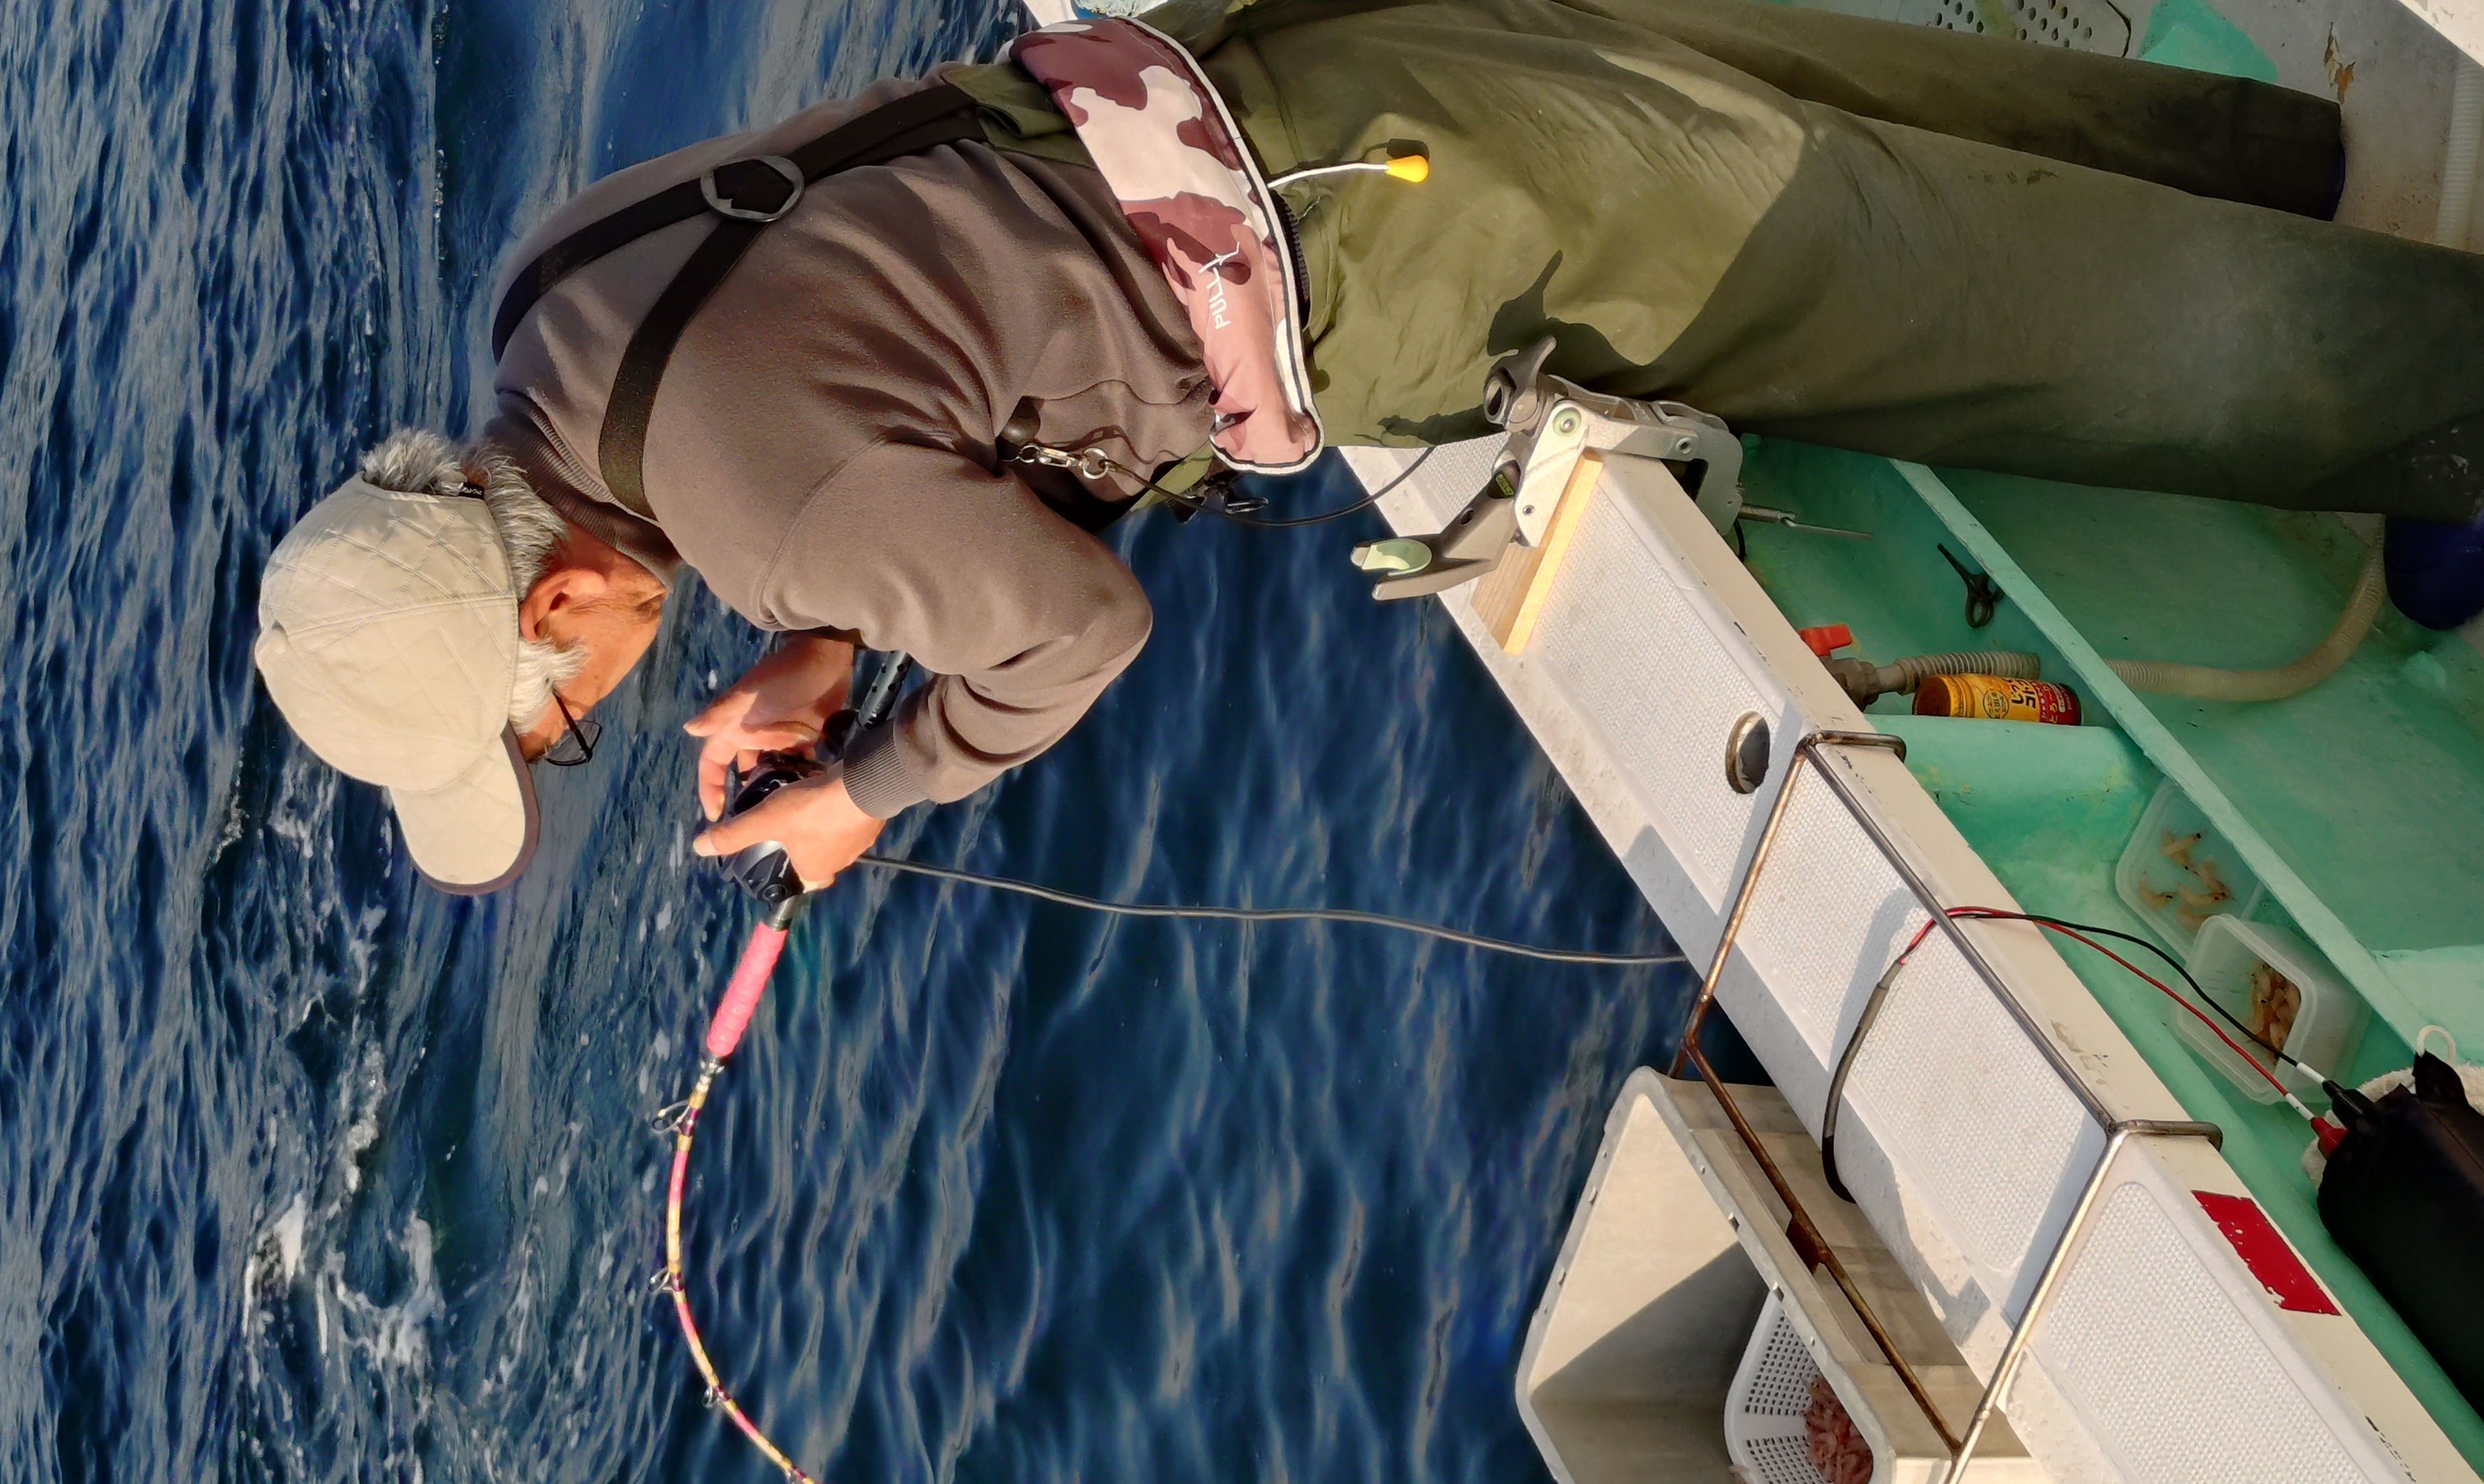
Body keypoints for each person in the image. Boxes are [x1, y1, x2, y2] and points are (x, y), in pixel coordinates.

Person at [251, 0, 2484, 895]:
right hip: (1298, 59)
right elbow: (869, 324)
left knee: (1948, 297)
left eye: (550, 719)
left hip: (1408, 237)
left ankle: (2444, 393)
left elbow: (1073, 634)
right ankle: (2286, 160)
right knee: (1858, 111)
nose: (588, 717)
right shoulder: (551, 289)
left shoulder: (760, 517)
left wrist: (872, 785)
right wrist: (832, 632)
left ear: (562, 598)